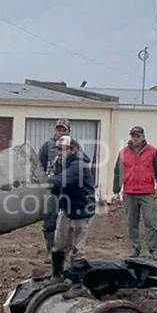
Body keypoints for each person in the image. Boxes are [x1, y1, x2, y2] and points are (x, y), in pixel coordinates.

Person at [47, 135, 96, 298]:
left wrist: (45, 181)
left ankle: (78, 285)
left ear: (72, 149)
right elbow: (56, 185)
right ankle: (57, 276)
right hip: (67, 208)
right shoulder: (61, 163)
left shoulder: (79, 165)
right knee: (58, 244)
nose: (59, 153)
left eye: (61, 150)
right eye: (58, 150)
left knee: (77, 249)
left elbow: (62, 181)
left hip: (81, 210)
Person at [113, 126, 157, 261]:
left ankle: (154, 250)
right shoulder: (123, 152)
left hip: (147, 192)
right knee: (132, 222)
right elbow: (118, 172)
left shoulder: (152, 152)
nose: (135, 138)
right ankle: (135, 248)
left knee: (150, 221)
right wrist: (116, 191)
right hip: (129, 192)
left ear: (143, 136)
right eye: (133, 136)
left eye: (137, 136)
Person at [38, 118, 71, 263]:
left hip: (68, 190)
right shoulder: (47, 146)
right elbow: (40, 166)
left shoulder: (74, 146)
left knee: (68, 222)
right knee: (49, 221)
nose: (61, 132)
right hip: (51, 190)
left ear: (69, 131)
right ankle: (50, 251)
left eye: (64, 129)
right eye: (59, 129)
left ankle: (66, 252)